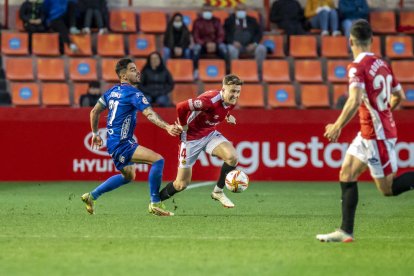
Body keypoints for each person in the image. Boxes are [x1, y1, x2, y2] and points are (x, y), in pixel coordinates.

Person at [316, 20, 414, 242]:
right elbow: (399, 96)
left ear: (350, 41)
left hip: (376, 134)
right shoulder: (382, 63)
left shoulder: (357, 67)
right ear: (371, 40)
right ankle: (345, 232)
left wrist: (337, 125)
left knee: (387, 189)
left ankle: (345, 231)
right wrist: (383, 111)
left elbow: (354, 99)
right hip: (370, 130)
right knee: (347, 173)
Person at [81, 58, 181, 216]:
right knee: (158, 160)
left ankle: (91, 196)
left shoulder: (111, 91)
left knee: (128, 176)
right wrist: (167, 126)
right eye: (133, 69)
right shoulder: (133, 93)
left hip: (114, 143)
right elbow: (149, 113)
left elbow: (94, 111)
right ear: (124, 76)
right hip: (122, 143)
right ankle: (155, 202)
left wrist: (94, 133)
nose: (137, 71)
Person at [158, 74, 243, 209]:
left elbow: (221, 110)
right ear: (223, 89)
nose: (236, 95)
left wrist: (227, 116)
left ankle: (218, 192)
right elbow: (181, 106)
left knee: (232, 158)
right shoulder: (209, 101)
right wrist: (184, 124)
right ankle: (155, 201)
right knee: (181, 184)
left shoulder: (230, 100)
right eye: (233, 91)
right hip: (191, 139)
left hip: (209, 134)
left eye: (238, 91)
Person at [224, 3, 267, 80]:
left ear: (246, 11)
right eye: (239, 9)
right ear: (235, 10)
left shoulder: (252, 20)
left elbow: (259, 33)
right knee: (230, 49)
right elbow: (225, 34)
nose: (241, 11)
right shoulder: (229, 21)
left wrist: (254, 43)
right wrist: (232, 42)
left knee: (261, 48)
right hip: (235, 46)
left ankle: (258, 72)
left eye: (243, 9)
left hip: (250, 46)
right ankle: (234, 74)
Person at [192, 3, 228, 79]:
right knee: (196, 48)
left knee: (223, 48)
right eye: (205, 10)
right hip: (203, 45)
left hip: (216, 44)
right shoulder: (197, 22)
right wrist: (205, 44)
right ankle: (196, 70)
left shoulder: (216, 21)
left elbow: (221, 35)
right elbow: (196, 37)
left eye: (209, 10)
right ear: (202, 11)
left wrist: (215, 43)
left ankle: (226, 71)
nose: (207, 12)